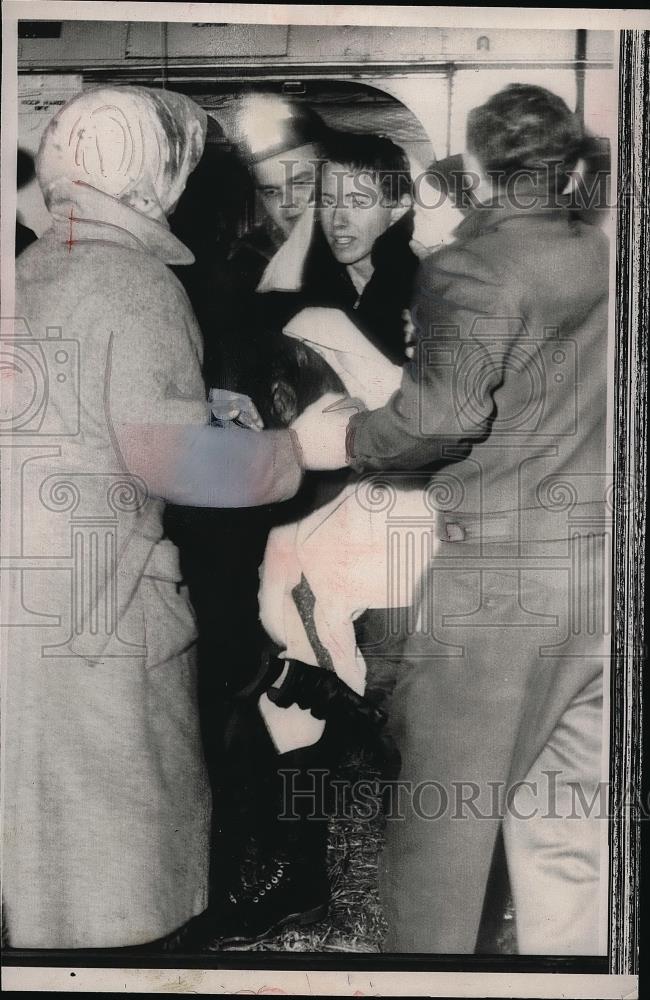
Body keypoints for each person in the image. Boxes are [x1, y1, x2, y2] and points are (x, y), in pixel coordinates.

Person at [2, 85, 334, 950]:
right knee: (123, 874)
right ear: (149, 179)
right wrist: (305, 447)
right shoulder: (133, 279)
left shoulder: (36, 266)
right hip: (108, 609)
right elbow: (184, 469)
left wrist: (192, 411)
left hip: (34, 596)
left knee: (42, 855)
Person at [293, 83, 610, 954]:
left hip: (499, 592)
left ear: (476, 167)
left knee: (441, 842)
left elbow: (440, 420)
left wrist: (335, 440)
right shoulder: (605, 252)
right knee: (566, 826)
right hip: (602, 580)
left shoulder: (474, 269)